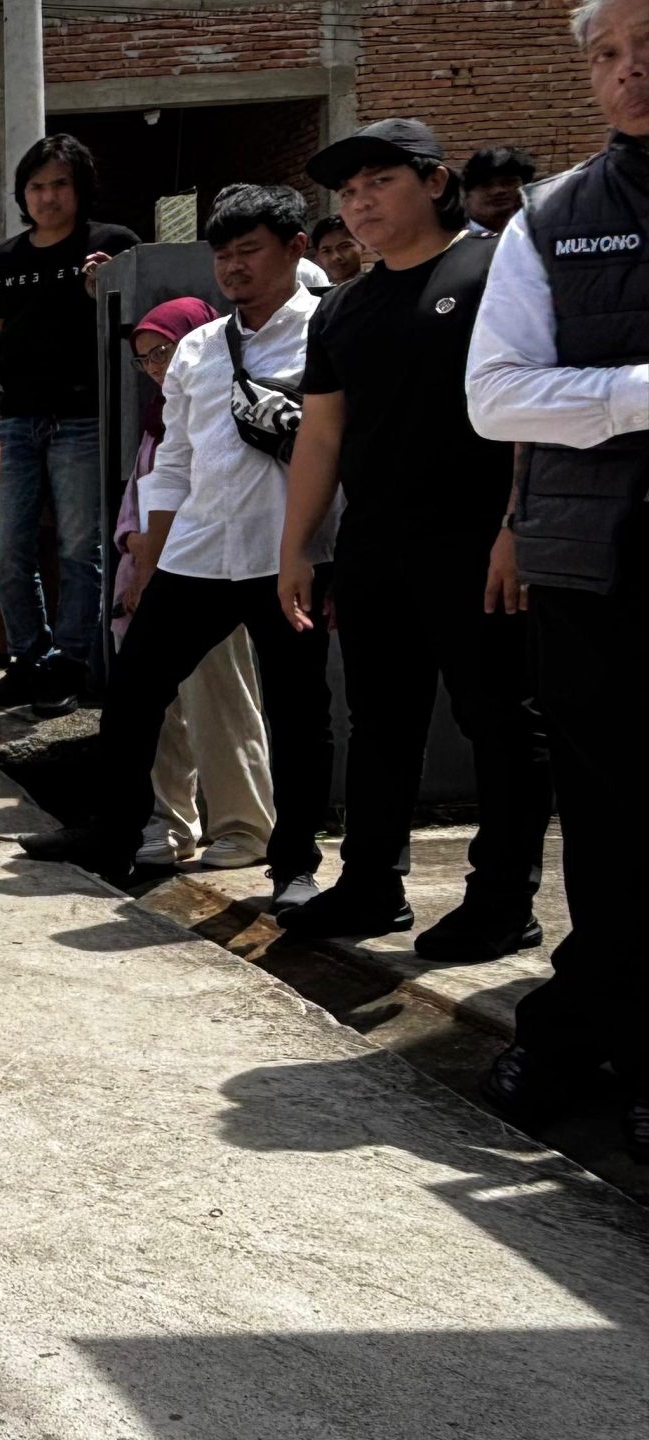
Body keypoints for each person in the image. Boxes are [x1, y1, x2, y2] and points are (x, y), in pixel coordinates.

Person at [275, 119, 552, 955]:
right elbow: (321, 437)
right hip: (374, 548)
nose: (360, 204)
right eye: (348, 192)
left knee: (498, 720)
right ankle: (369, 887)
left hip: (476, 542)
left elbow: (530, 405)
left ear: (435, 183)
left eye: (379, 183)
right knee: (380, 723)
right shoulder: (343, 308)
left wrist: (516, 524)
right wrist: (296, 548)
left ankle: (504, 900)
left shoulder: (492, 268)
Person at [21, 186, 334, 908]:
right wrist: (149, 562)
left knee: (297, 711)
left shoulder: (326, 331)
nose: (233, 268)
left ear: (294, 249)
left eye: (249, 251)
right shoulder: (199, 345)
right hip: (197, 552)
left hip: (286, 553)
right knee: (133, 696)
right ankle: (114, 835)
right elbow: (176, 463)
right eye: (222, 256)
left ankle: (294, 865)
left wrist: (318, 552)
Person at [463, 0, 649, 1159]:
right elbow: (496, 395)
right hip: (597, 569)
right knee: (612, 821)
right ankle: (607, 1036)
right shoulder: (553, 222)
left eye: (648, 50)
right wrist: (637, 396)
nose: (629, 74)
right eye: (608, 57)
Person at [0, 134, 141, 718]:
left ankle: (72, 662)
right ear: (23, 193)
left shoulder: (112, 245)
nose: (47, 197)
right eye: (37, 186)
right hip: (16, 418)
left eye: (60, 185)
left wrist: (108, 290)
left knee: (80, 545)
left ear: (80, 188)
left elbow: (141, 330)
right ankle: (27, 659)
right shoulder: (3, 260)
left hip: (86, 416)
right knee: (7, 546)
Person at [112, 299, 274, 873]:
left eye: (163, 349)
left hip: (213, 570)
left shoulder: (221, 399)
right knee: (160, 713)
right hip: (160, 575)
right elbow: (153, 490)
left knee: (220, 703)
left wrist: (151, 562)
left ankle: (245, 828)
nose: (156, 365)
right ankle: (172, 824)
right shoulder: (164, 418)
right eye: (144, 358)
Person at [460, 144, 540, 236]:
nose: (498, 190)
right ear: (466, 196)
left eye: (508, 182)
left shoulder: (543, 236)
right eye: (486, 185)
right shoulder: (450, 241)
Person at [310, 214, 372, 284]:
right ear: (318, 258)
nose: (335, 257)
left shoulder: (381, 288)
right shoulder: (323, 294)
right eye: (326, 251)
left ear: (363, 245)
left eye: (344, 247)